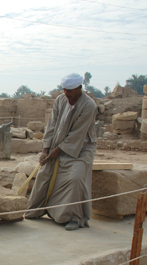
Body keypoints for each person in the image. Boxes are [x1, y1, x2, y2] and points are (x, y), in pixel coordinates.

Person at [25, 73, 98, 230]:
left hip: (80, 149)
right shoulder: (60, 100)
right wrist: (46, 149)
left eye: (70, 90)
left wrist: (58, 150)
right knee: (44, 174)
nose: (66, 94)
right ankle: (37, 210)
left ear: (79, 88)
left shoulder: (89, 106)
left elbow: (77, 134)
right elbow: (51, 126)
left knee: (76, 178)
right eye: (64, 90)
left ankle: (74, 217)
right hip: (56, 145)